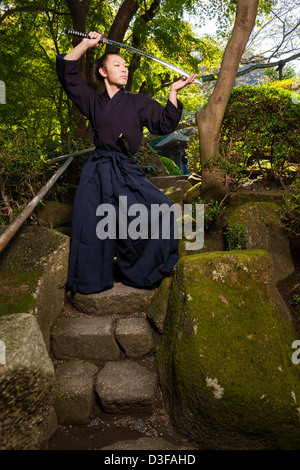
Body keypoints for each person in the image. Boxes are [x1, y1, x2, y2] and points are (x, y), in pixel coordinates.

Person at [56, 31, 197, 295]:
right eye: (117, 65)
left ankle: (150, 269)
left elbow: (165, 123)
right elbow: (67, 73)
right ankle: (90, 281)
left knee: (163, 209)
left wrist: (174, 92)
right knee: (92, 224)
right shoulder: (93, 101)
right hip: (98, 171)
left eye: (125, 66)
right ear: (102, 72)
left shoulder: (139, 102)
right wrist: (86, 44)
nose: (124, 69)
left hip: (125, 169)